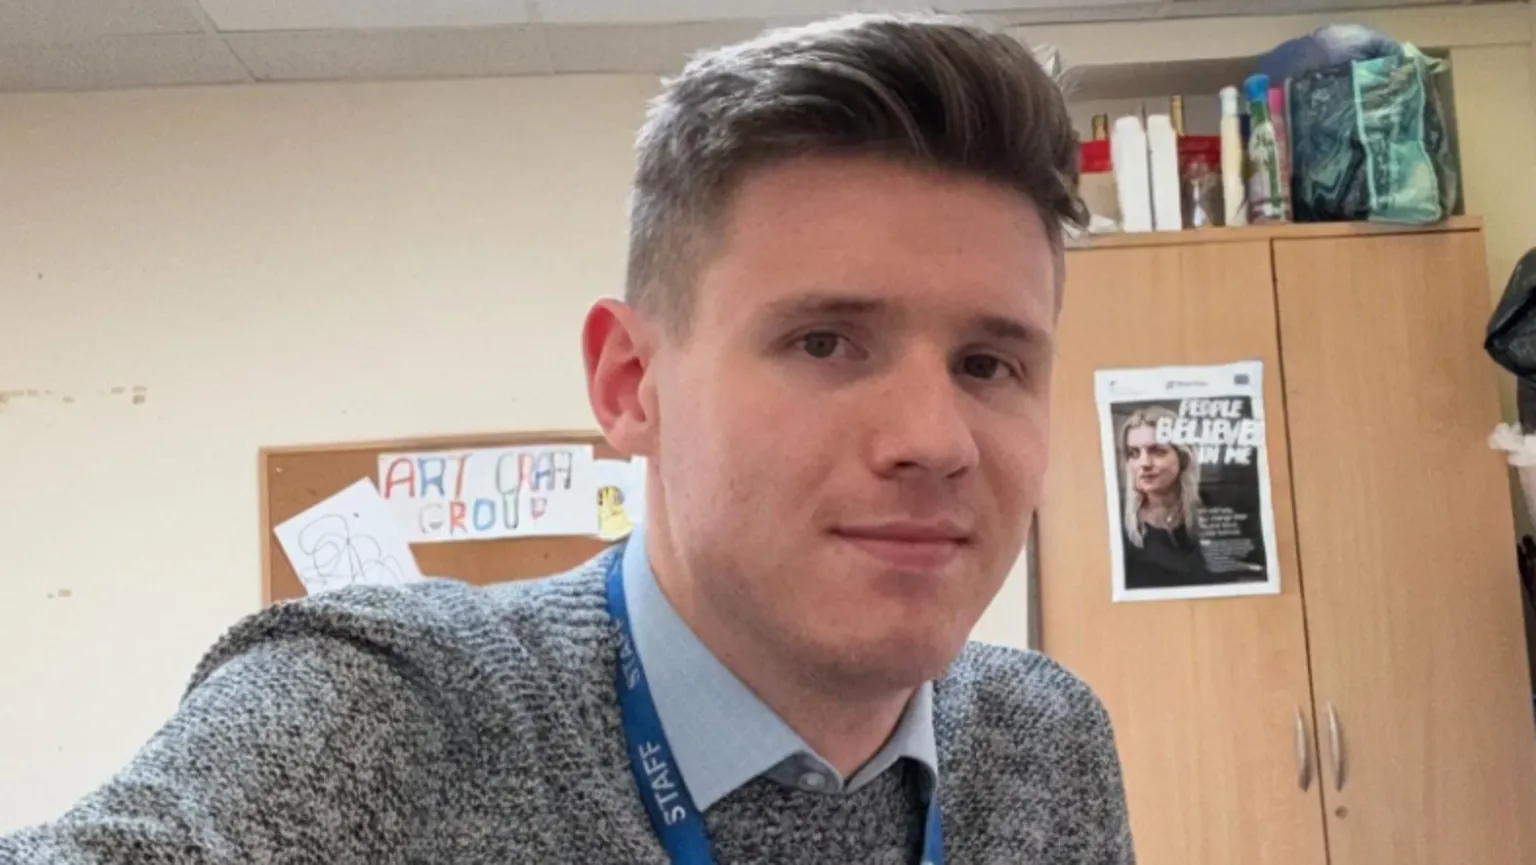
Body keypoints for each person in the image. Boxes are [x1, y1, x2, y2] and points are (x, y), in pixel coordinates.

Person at [0, 12, 1134, 864]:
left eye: (989, 364)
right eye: (827, 343)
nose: (934, 440)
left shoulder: (1048, 744)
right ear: (630, 382)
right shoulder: (389, 713)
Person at [1116, 406, 1214, 590]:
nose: (1144, 463)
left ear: (1183, 457)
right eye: (1134, 454)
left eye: (1157, 451)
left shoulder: (1213, 509)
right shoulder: (1116, 521)